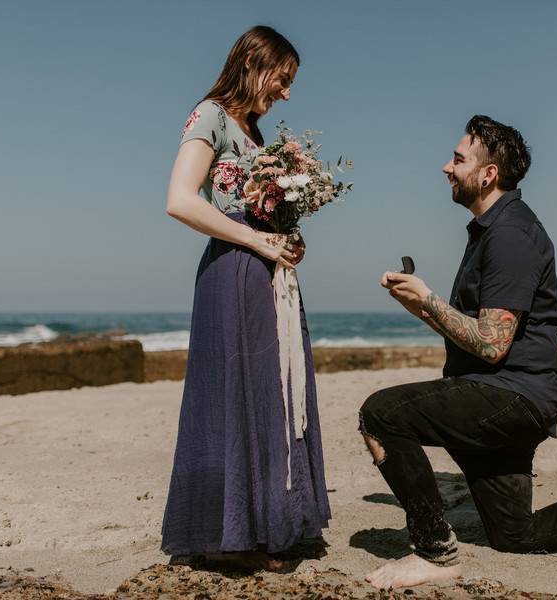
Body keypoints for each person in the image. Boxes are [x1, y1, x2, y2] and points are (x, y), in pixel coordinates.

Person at [358, 115, 557, 589]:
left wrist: (430, 300)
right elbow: (479, 332)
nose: (445, 167)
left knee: (381, 415)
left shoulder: (511, 235)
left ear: (488, 174)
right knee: (517, 533)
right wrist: (422, 306)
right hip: (507, 393)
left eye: (457, 158)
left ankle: (434, 552)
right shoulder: (493, 229)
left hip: (511, 396)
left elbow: (492, 345)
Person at [161, 25, 330, 570]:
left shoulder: (256, 136)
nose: (286, 93)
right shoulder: (208, 114)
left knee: (274, 394)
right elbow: (181, 201)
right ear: (255, 64)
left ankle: (270, 525)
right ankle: (233, 535)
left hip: (268, 278)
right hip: (231, 272)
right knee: (236, 395)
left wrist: (287, 236)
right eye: (283, 79)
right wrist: (257, 238)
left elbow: (261, 211)